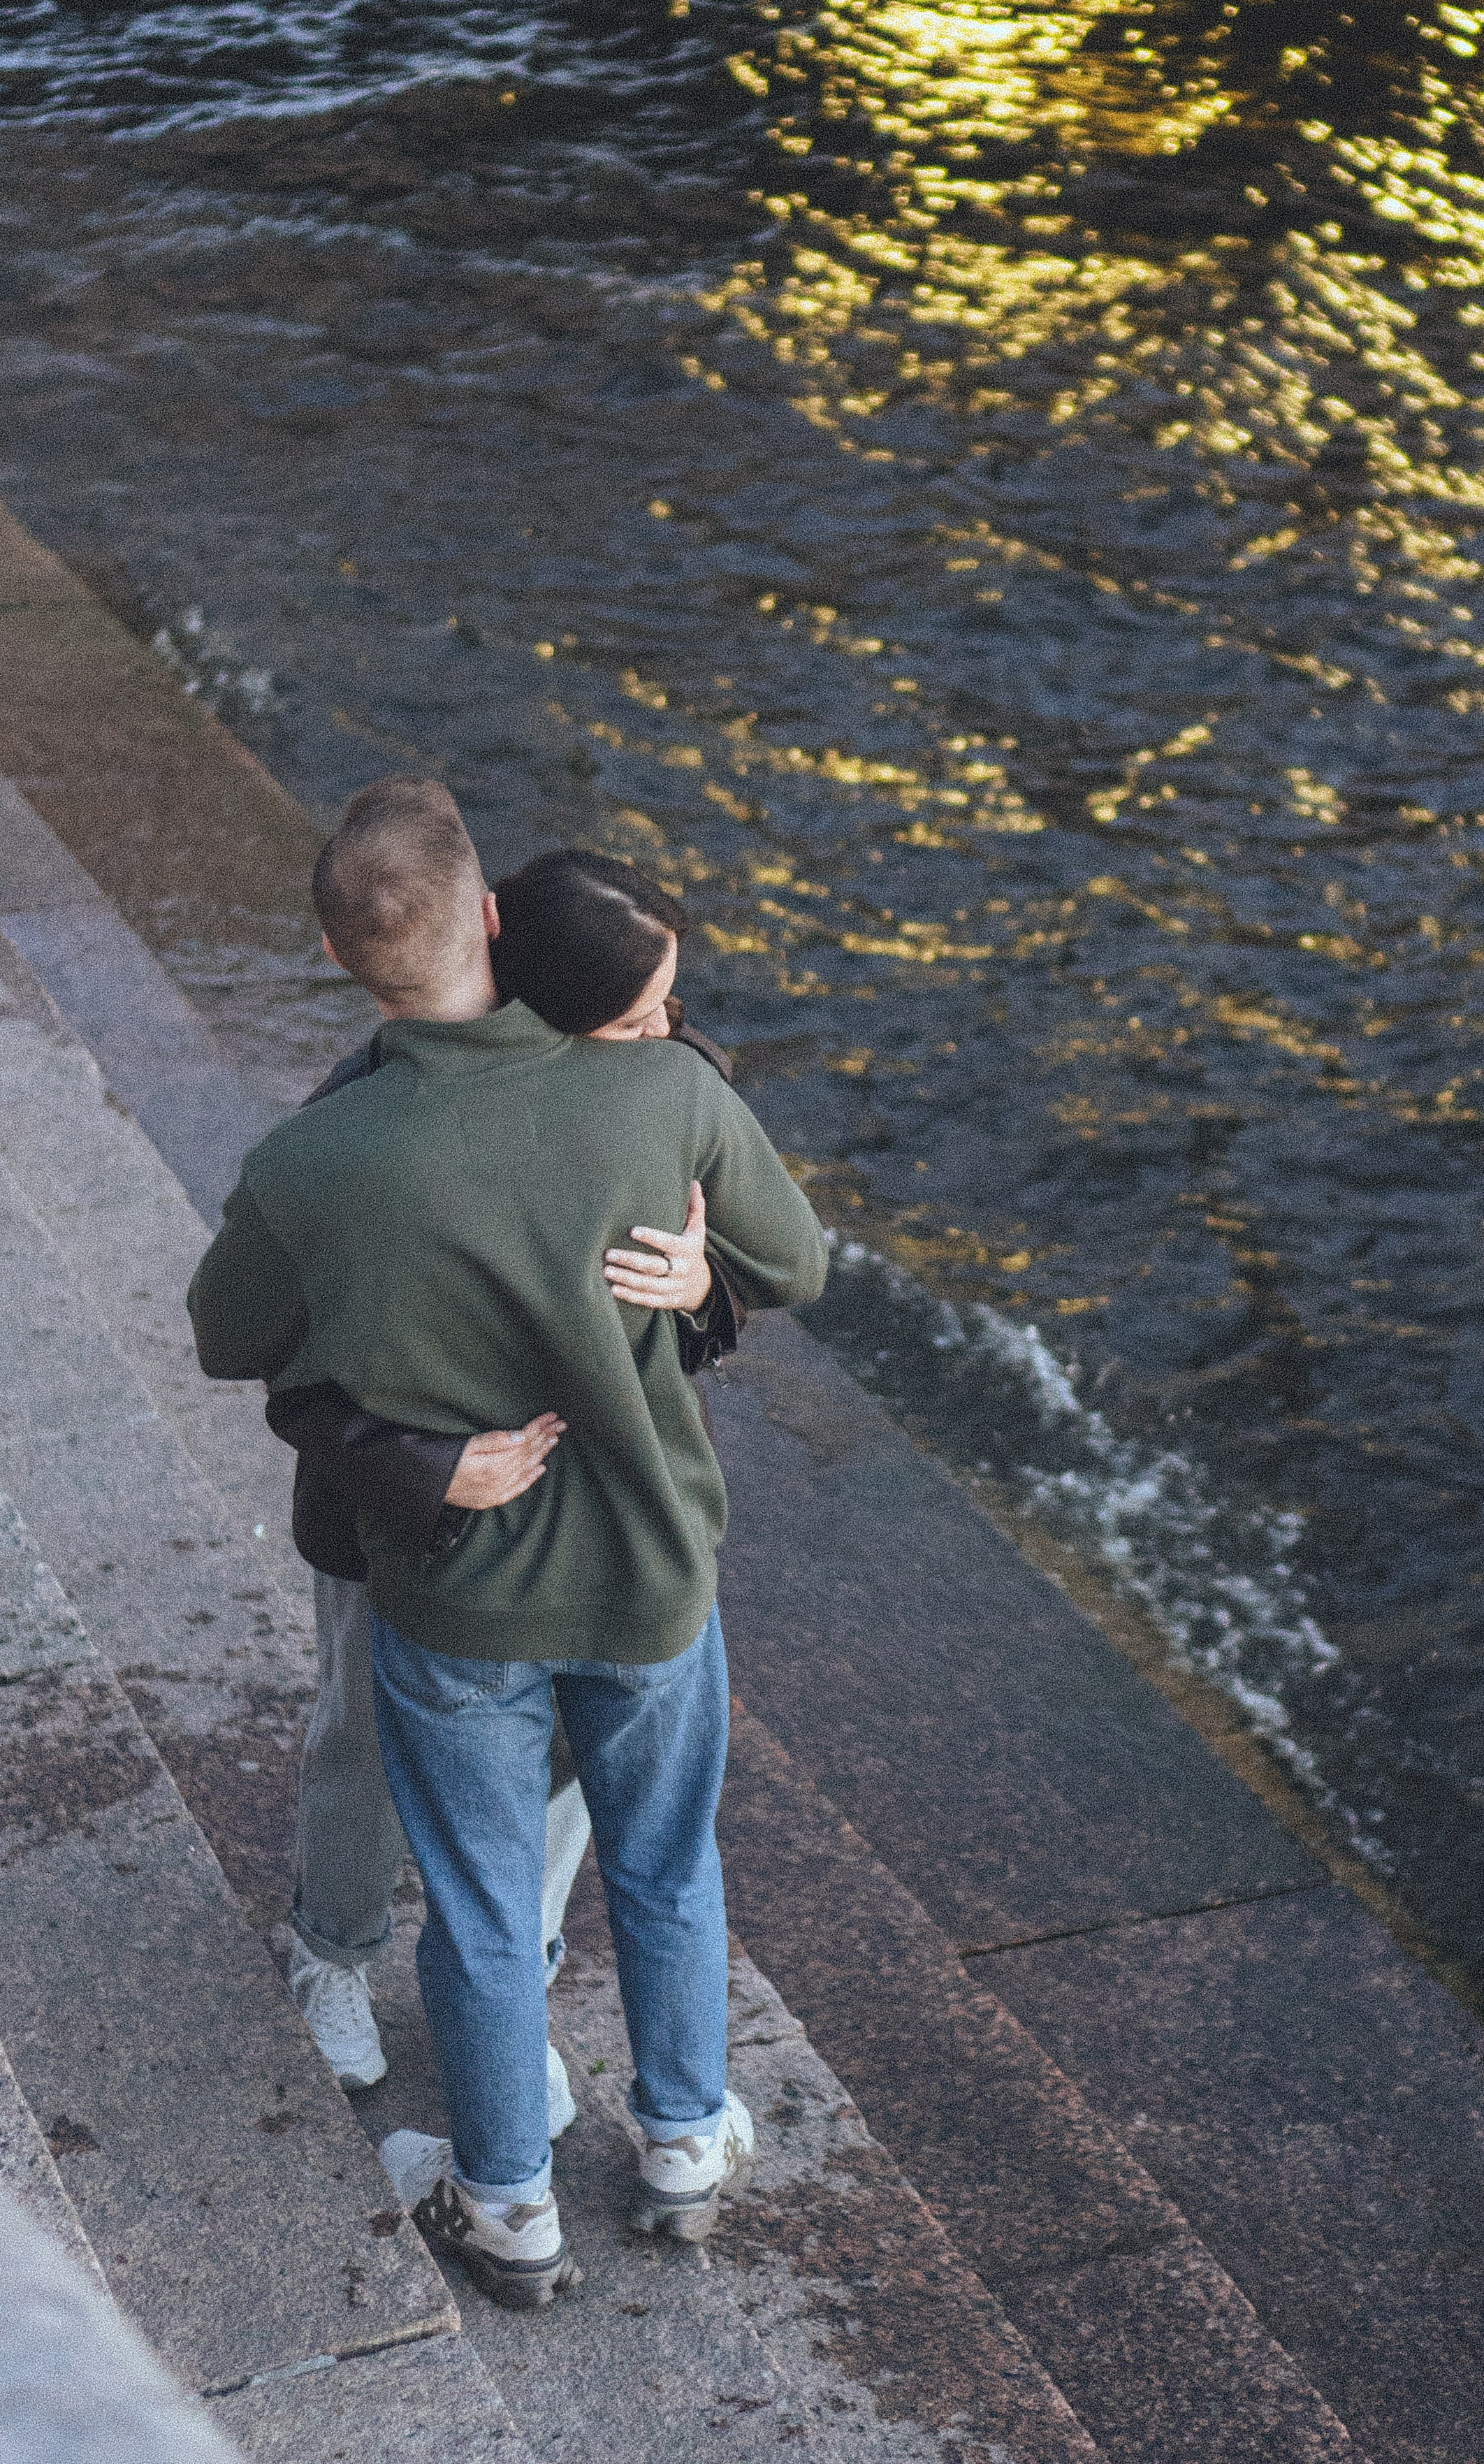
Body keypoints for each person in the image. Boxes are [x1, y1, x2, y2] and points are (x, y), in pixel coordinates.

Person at [189, 781, 827, 2309]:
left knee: (477, 1906)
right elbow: (794, 1258)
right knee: (666, 1869)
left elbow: (229, 1340)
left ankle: (506, 2209)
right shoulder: (660, 1094)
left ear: (346, 959)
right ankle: (682, 2146)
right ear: (491, 919)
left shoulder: (312, 1162)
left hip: (457, 1596)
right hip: (648, 1576)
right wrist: (694, 1285)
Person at [272, 854, 741, 2105]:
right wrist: (421, 1464)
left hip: (601, 1504)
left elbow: (743, 1243)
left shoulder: (660, 1081)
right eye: (638, 1018)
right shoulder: (367, 1106)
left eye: (668, 1015)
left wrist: (705, 1288)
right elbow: (276, 1343)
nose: (665, 1040)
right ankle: (332, 1949)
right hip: (412, 1519)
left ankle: (504, 1984)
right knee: (361, 1742)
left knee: (572, 1771)